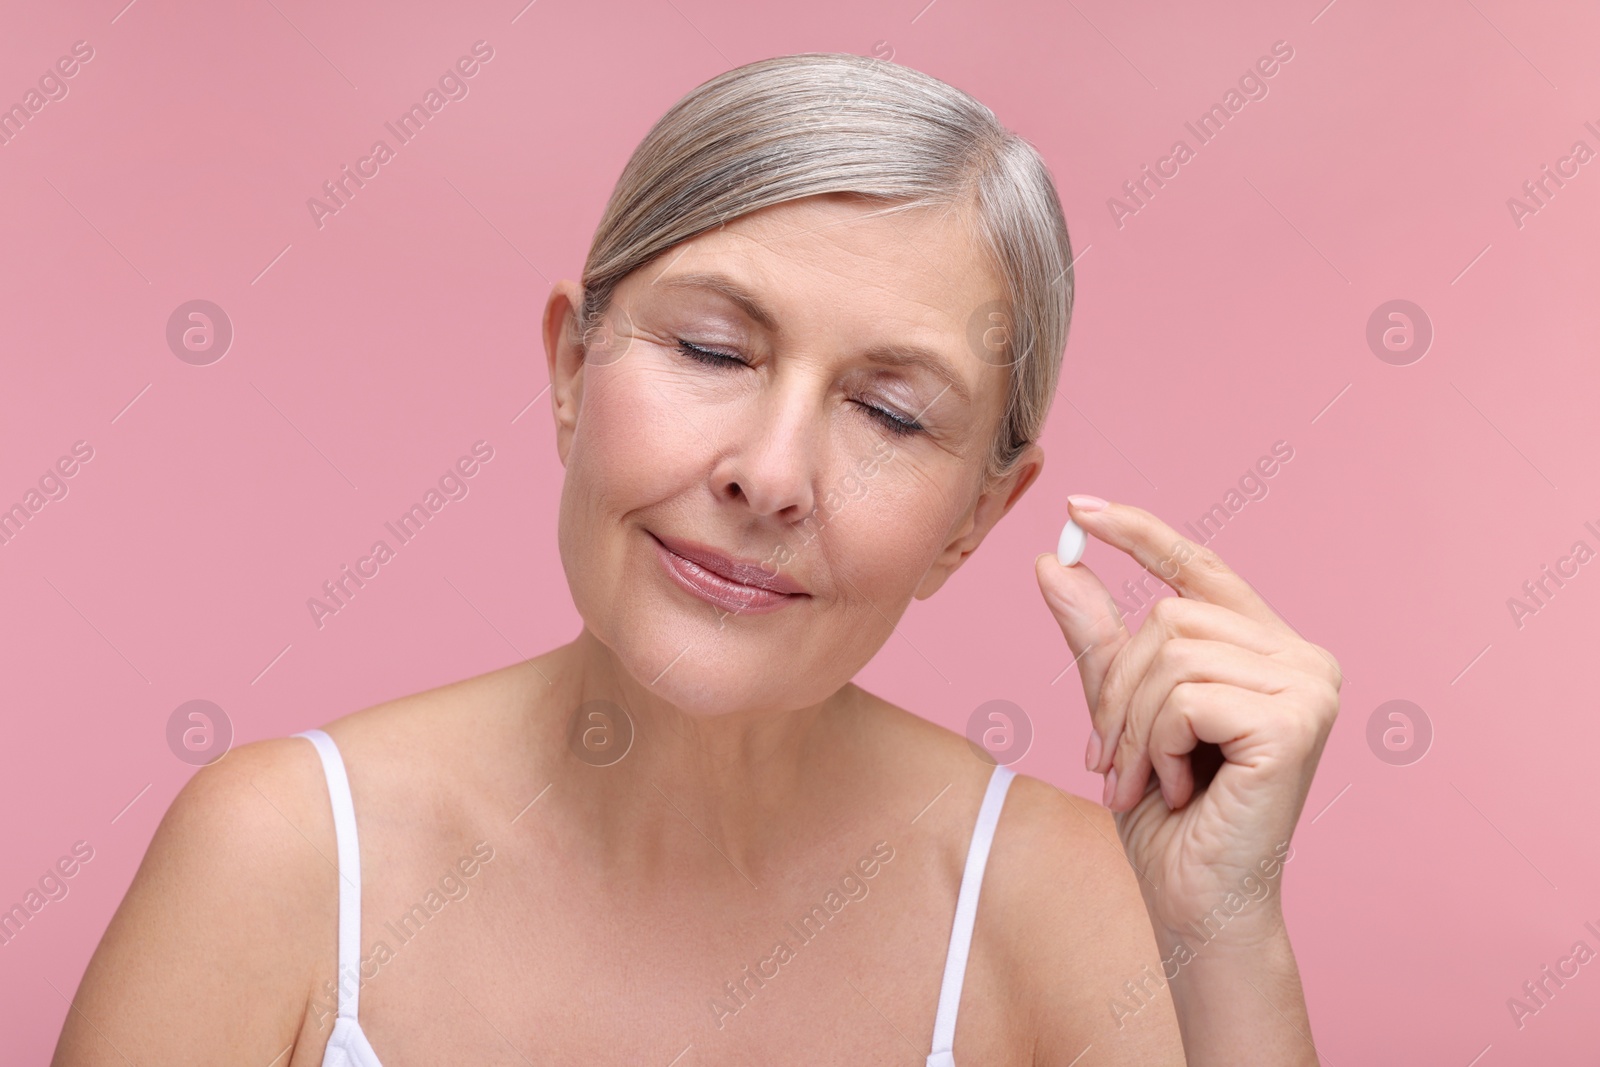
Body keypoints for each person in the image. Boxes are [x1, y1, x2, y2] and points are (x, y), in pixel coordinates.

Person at [54, 52, 1340, 1066]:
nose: (770, 475)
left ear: (977, 517)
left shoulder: (1061, 902)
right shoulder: (278, 857)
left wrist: (1220, 934)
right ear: (570, 367)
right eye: (715, 351)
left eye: (890, 414)